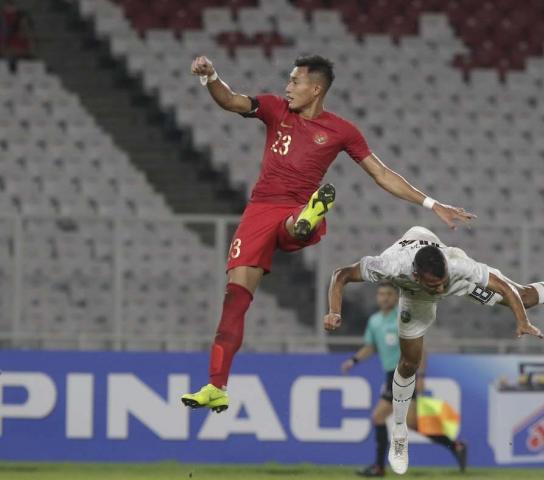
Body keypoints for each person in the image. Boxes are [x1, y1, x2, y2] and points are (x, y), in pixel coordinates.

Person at [181, 55, 475, 412]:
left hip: (292, 206)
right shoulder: (275, 109)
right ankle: (217, 386)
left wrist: (432, 204)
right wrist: (210, 76)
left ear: (315, 88)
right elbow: (230, 100)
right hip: (259, 211)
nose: (287, 86)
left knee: (296, 224)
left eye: (295, 81)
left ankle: (306, 218)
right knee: (235, 300)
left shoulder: (341, 130)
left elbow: (381, 174)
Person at [324, 226, 544, 475]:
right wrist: (334, 311)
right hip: (415, 297)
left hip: (455, 278)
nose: (439, 291)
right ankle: (399, 435)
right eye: (434, 285)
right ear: (416, 275)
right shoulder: (389, 267)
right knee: (409, 363)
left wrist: (522, 320)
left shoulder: (456, 268)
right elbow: (341, 275)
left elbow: (503, 286)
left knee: (525, 296)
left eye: (441, 284)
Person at [341, 281, 467, 477]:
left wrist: (422, 374)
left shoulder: (404, 317)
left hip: (404, 373)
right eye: (381, 294)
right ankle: (456, 446)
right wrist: (354, 360)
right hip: (392, 374)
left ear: (396, 297)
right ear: (377, 297)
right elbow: (371, 346)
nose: (384, 298)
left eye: (389, 294)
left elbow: (422, 349)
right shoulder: (374, 321)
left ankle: (378, 467)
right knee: (413, 423)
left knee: (378, 417)